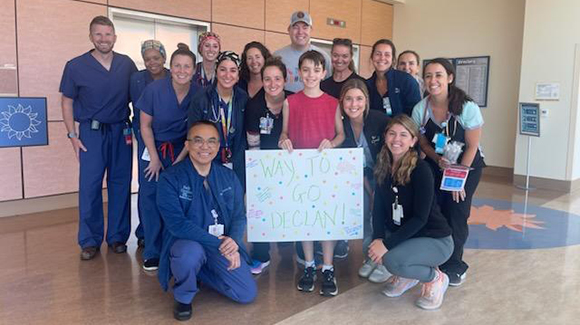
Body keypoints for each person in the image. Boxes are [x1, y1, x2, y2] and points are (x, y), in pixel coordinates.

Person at [156, 121, 257, 321]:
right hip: (188, 242)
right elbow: (177, 224)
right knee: (189, 254)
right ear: (187, 145)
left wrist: (233, 242)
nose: (205, 147)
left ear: (218, 146)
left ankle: (199, 273)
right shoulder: (170, 178)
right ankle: (184, 295)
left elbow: (239, 215)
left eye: (211, 141)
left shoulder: (228, 176)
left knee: (246, 293)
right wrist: (221, 244)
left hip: (219, 244)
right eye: (198, 141)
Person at [60, 16, 137, 260]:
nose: (104, 39)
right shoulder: (75, 66)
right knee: (90, 186)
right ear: (91, 37)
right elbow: (67, 101)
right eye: (99, 34)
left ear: (115, 36)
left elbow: (139, 96)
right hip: (91, 134)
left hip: (121, 131)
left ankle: (117, 237)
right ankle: (90, 240)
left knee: (120, 184)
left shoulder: (126, 64)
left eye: (108, 34)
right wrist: (73, 135)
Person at [412, 58, 485, 287]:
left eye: (438, 75)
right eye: (428, 76)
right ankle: (435, 258)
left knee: (456, 211)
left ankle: (454, 266)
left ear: (450, 78)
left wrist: (457, 179)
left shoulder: (467, 107)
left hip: (467, 166)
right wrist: (437, 159)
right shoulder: (420, 109)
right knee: (434, 210)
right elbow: (423, 144)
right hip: (438, 164)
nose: (433, 81)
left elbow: (472, 146)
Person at [369, 114, 454, 310]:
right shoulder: (383, 165)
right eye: (392, 134)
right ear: (385, 136)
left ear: (413, 140)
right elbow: (379, 209)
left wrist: (387, 245)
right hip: (409, 236)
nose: (396, 140)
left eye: (403, 135)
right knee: (370, 245)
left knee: (391, 259)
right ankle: (408, 276)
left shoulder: (421, 170)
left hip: (435, 240)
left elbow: (421, 219)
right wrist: (378, 239)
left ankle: (435, 278)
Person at [278, 50, 345, 296]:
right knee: (305, 218)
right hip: (299, 170)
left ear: (324, 73)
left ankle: (327, 267)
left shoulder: (333, 102)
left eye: (316, 70)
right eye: (305, 70)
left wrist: (332, 143)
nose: (311, 75)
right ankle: (308, 265)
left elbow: (341, 134)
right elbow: (284, 133)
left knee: (326, 219)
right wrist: (283, 140)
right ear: (298, 72)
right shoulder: (290, 101)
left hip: (325, 170)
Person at [137, 44, 199, 271]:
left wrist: (181, 159)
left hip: (182, 150)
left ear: (194, 70)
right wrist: (154, 158)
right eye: (177, 66)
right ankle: (152, 250)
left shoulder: (198, 93)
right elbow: (145, 125)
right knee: (151, 197)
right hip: (153, 146)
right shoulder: (154, 90)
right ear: (170, 67)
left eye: (187, 67)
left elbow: (194, 131)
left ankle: (172, 248)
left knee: (178, 201)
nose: (182, 70)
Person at [244, 57, 293, 274]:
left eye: (277, 79)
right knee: (261, 206)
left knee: (288, 206)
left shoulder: (294, 101)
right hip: (262, 163)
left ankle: (288, 246)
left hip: (291, 165)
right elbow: (253, 142)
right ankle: (261, 253)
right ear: (261, 80)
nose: (272, 84)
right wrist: (260, 174)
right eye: (267, 79)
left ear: (285, 79)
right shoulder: (254, 105)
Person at [338, 79, 390, 283]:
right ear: (342, 101)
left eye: (359, 99)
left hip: (385, 177)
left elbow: (392, 153)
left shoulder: (380, 120)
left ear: (366, 101)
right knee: (363, 215)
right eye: (349, 99)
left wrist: (379, 189)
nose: (354, 104)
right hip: (359, 180)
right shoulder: (341, 126)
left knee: (382, 217)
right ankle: (371, 257)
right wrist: (368, 190)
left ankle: (386, 261)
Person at [130, 39, 169, 249]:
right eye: (147, 59)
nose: (152, 62)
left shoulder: (174, 76)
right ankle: (145, 231)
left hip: (170, 139)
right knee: (147, 187)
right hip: (145, 137)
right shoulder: (136, 79)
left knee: (169, 186)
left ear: (164, 57)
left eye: (156, 57)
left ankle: (166, 231)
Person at [186, 51, 247, 185]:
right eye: (223, 69)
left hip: (236, 164)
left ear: (238, 75)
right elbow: (192, 135)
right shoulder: (201, 98)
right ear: (216, 71)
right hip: (207, 161)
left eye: (233, 70)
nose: (227, 75)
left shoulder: (244, 99)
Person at [274, 11, 331, 93]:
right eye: (296, 27)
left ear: (311, 30)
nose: (300, 32)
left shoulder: (323, 56)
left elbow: (329, 86)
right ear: (289, 29)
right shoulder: (277, 56)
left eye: (305, 27)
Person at [366, 39, 421, 117]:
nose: (382, 58)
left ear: (393, 59)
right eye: (378, 54)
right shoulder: (367, 85)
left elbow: (415, 114)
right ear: (372, 57)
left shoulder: (407, 81)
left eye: (387, 55)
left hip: (403, 128)